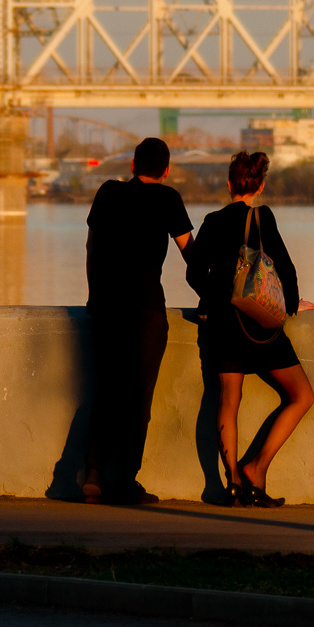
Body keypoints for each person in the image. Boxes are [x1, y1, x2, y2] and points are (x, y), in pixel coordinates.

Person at [185, 150, 314, 507]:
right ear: (260, 186)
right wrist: (291, 305)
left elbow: (194, 274)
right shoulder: (263, 217)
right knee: (302, 396)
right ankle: (255, 469)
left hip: (223, 324)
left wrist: (219, 299)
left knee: (229, 400)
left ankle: (231, 483)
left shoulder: (212, 221)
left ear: (229, 185)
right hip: (258, 325)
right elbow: (285, 268)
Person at [81, 137, 193, 505]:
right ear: (166, 170)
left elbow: (91, 248)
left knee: (108, 391)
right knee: (138, 399)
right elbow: (189, 252)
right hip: (145, 310)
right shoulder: (168, 199)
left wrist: (94, 294)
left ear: (132, 164)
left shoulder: (108, 192)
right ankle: (126, 482)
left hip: (106, 307)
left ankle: (93, 474)